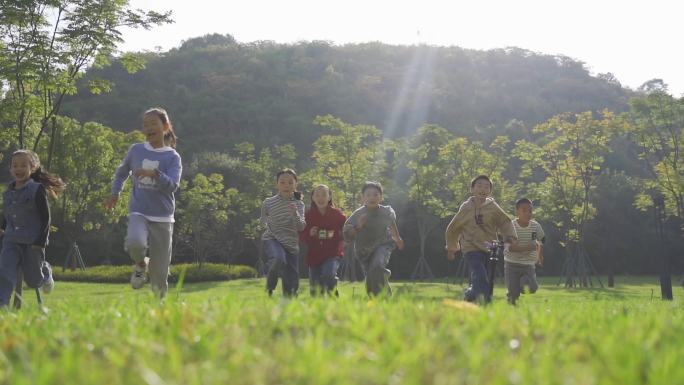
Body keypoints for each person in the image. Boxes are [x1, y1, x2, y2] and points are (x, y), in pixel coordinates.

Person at [105, 107, 181, 298]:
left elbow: (172, 186)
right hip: (139, 210)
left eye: (153, 124)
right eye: (145, 125)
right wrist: (115, 193)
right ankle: (140, 264)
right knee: (135, 243)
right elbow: (122, 172)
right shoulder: (136, 150)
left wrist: (154, 174)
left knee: (160, 272)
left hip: (163, 216)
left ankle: (159, 308)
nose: (148, 128)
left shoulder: (172, 157)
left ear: (165, 126)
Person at [0, 150, 65, 307]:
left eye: (23, 165)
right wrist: (2, 228)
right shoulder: (8, 192)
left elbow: (45, 217)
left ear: (33, 168)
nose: (19, 169)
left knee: (33, 280)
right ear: (10, 169)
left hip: (32, 241)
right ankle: (2, 304)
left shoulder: (37, 189)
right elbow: (7, 213)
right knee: (5, 272)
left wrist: (41, 240)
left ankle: (46, 271)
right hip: (11, 240)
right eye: (15, 165)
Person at [445, 175, 517, 303]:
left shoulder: (493, 206)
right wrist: (452, 247)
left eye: (486, 187)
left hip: (489, 247)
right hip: (470, 247)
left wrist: (509, 237)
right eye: (479, 186)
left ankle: (470, 293)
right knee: (480, 273)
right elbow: (453, 227)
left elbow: (505, 222)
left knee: (484, 276)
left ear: (489, 191)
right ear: (472, 189)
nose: (483, 189)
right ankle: (486, 300)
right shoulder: (466, 208)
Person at [343, 181, 404, 296]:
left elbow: (391, 223)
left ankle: (384, 297)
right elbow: (347, 234)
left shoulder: (386, 211)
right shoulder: (358, 214)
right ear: (363, 198)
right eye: (368, 195)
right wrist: (358, 226)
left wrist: (397, 238)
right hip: (364, 251)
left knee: (377, 265)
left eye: (376, 194)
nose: (372, 197)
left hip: (383, 244)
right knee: (371, 275)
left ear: (381, 197)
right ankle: (374, 298)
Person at [261, 169, 306, 297]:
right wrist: (265, 225)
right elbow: (262, 220)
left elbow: (301, 227)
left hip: (291, 244)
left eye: (290, 183)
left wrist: (295, 214)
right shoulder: (268, 202)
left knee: (291, 284)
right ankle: (270, 286)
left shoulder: (299, 204)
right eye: (282, 182)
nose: (286, 185)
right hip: (272, 238)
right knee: (278, 258)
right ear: (277, 185)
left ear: (295, 185)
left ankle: (289, 298)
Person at [300, 184, 346, 296]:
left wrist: (342, 238)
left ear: (329, 197)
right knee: (315, 291)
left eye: (324, 195)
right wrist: (310, 233)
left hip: (332, 253)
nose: (320, 198)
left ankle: (333, 296)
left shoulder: (337, 214)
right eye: (317, 195)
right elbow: (301, 235)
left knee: (329, 274)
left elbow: (346, 228)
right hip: (314, 256)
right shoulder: (307, 215)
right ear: (313, 198)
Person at [504, 198, 545, 304]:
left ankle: (520, 284)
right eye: (524, 210)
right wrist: (528, 248)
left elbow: (541, 240)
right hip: (511, 264)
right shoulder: (511, 226)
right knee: (513, 295)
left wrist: (540, 256)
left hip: (528, 264)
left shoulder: (535, 226)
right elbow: (509, 248)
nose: (528, 213)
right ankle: (512, 306)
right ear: (517, 212)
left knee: (532, 287)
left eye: (530, 211)